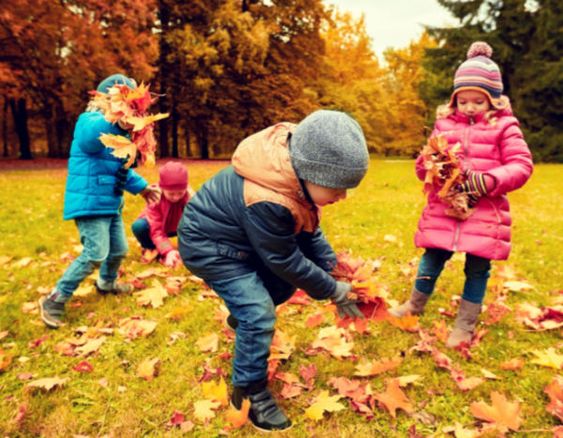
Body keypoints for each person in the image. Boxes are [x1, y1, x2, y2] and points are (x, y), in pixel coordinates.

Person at [178, 110, 369, 431]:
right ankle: (249, 392)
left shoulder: (293, 182)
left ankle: (245, 323)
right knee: (259, 311)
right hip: (212, 248)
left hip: (243, 242)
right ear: (311, 173)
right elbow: (285, 259)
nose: (342, 196)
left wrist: (331, 267)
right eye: (336, 188)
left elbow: (308, 231)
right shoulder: (269, 198)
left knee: (281, 288)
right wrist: (332, 290)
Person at [389, 42, 533, 348]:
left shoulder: (504, 127)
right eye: (462, 100)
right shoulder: (443, 125)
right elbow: (423, 166)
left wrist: (489, 180)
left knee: (477, 268)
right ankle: (414, 306)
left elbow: (521, 165)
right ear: (454, 99)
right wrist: (428, 163)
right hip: (445, 207)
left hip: (483, 209)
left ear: (492, 100)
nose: (468, 107)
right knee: (432, 258)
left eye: (477, 101)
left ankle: (465, 325)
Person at [39, 74, 161, 329]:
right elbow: (90, 139)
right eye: (123, 102)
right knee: (96, 252)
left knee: (118, 250)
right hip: (89, 202)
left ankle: (106, 282)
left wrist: (141, 188)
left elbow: (120, 168)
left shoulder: (119, 136)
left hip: (110, 204)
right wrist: (116, 123)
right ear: (108, 99)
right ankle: (55, 299)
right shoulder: (90, 121)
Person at [131, 161, 191, 267]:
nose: (176, 197)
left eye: (180, 193)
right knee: (139, 226)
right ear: (162, 188)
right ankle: (151, 247)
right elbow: (157, 230)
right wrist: (168, 251)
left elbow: (197, 223)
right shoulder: (155, 199)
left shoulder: (190, 198)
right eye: (171, 194)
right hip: (158, 227)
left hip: (178, 226)